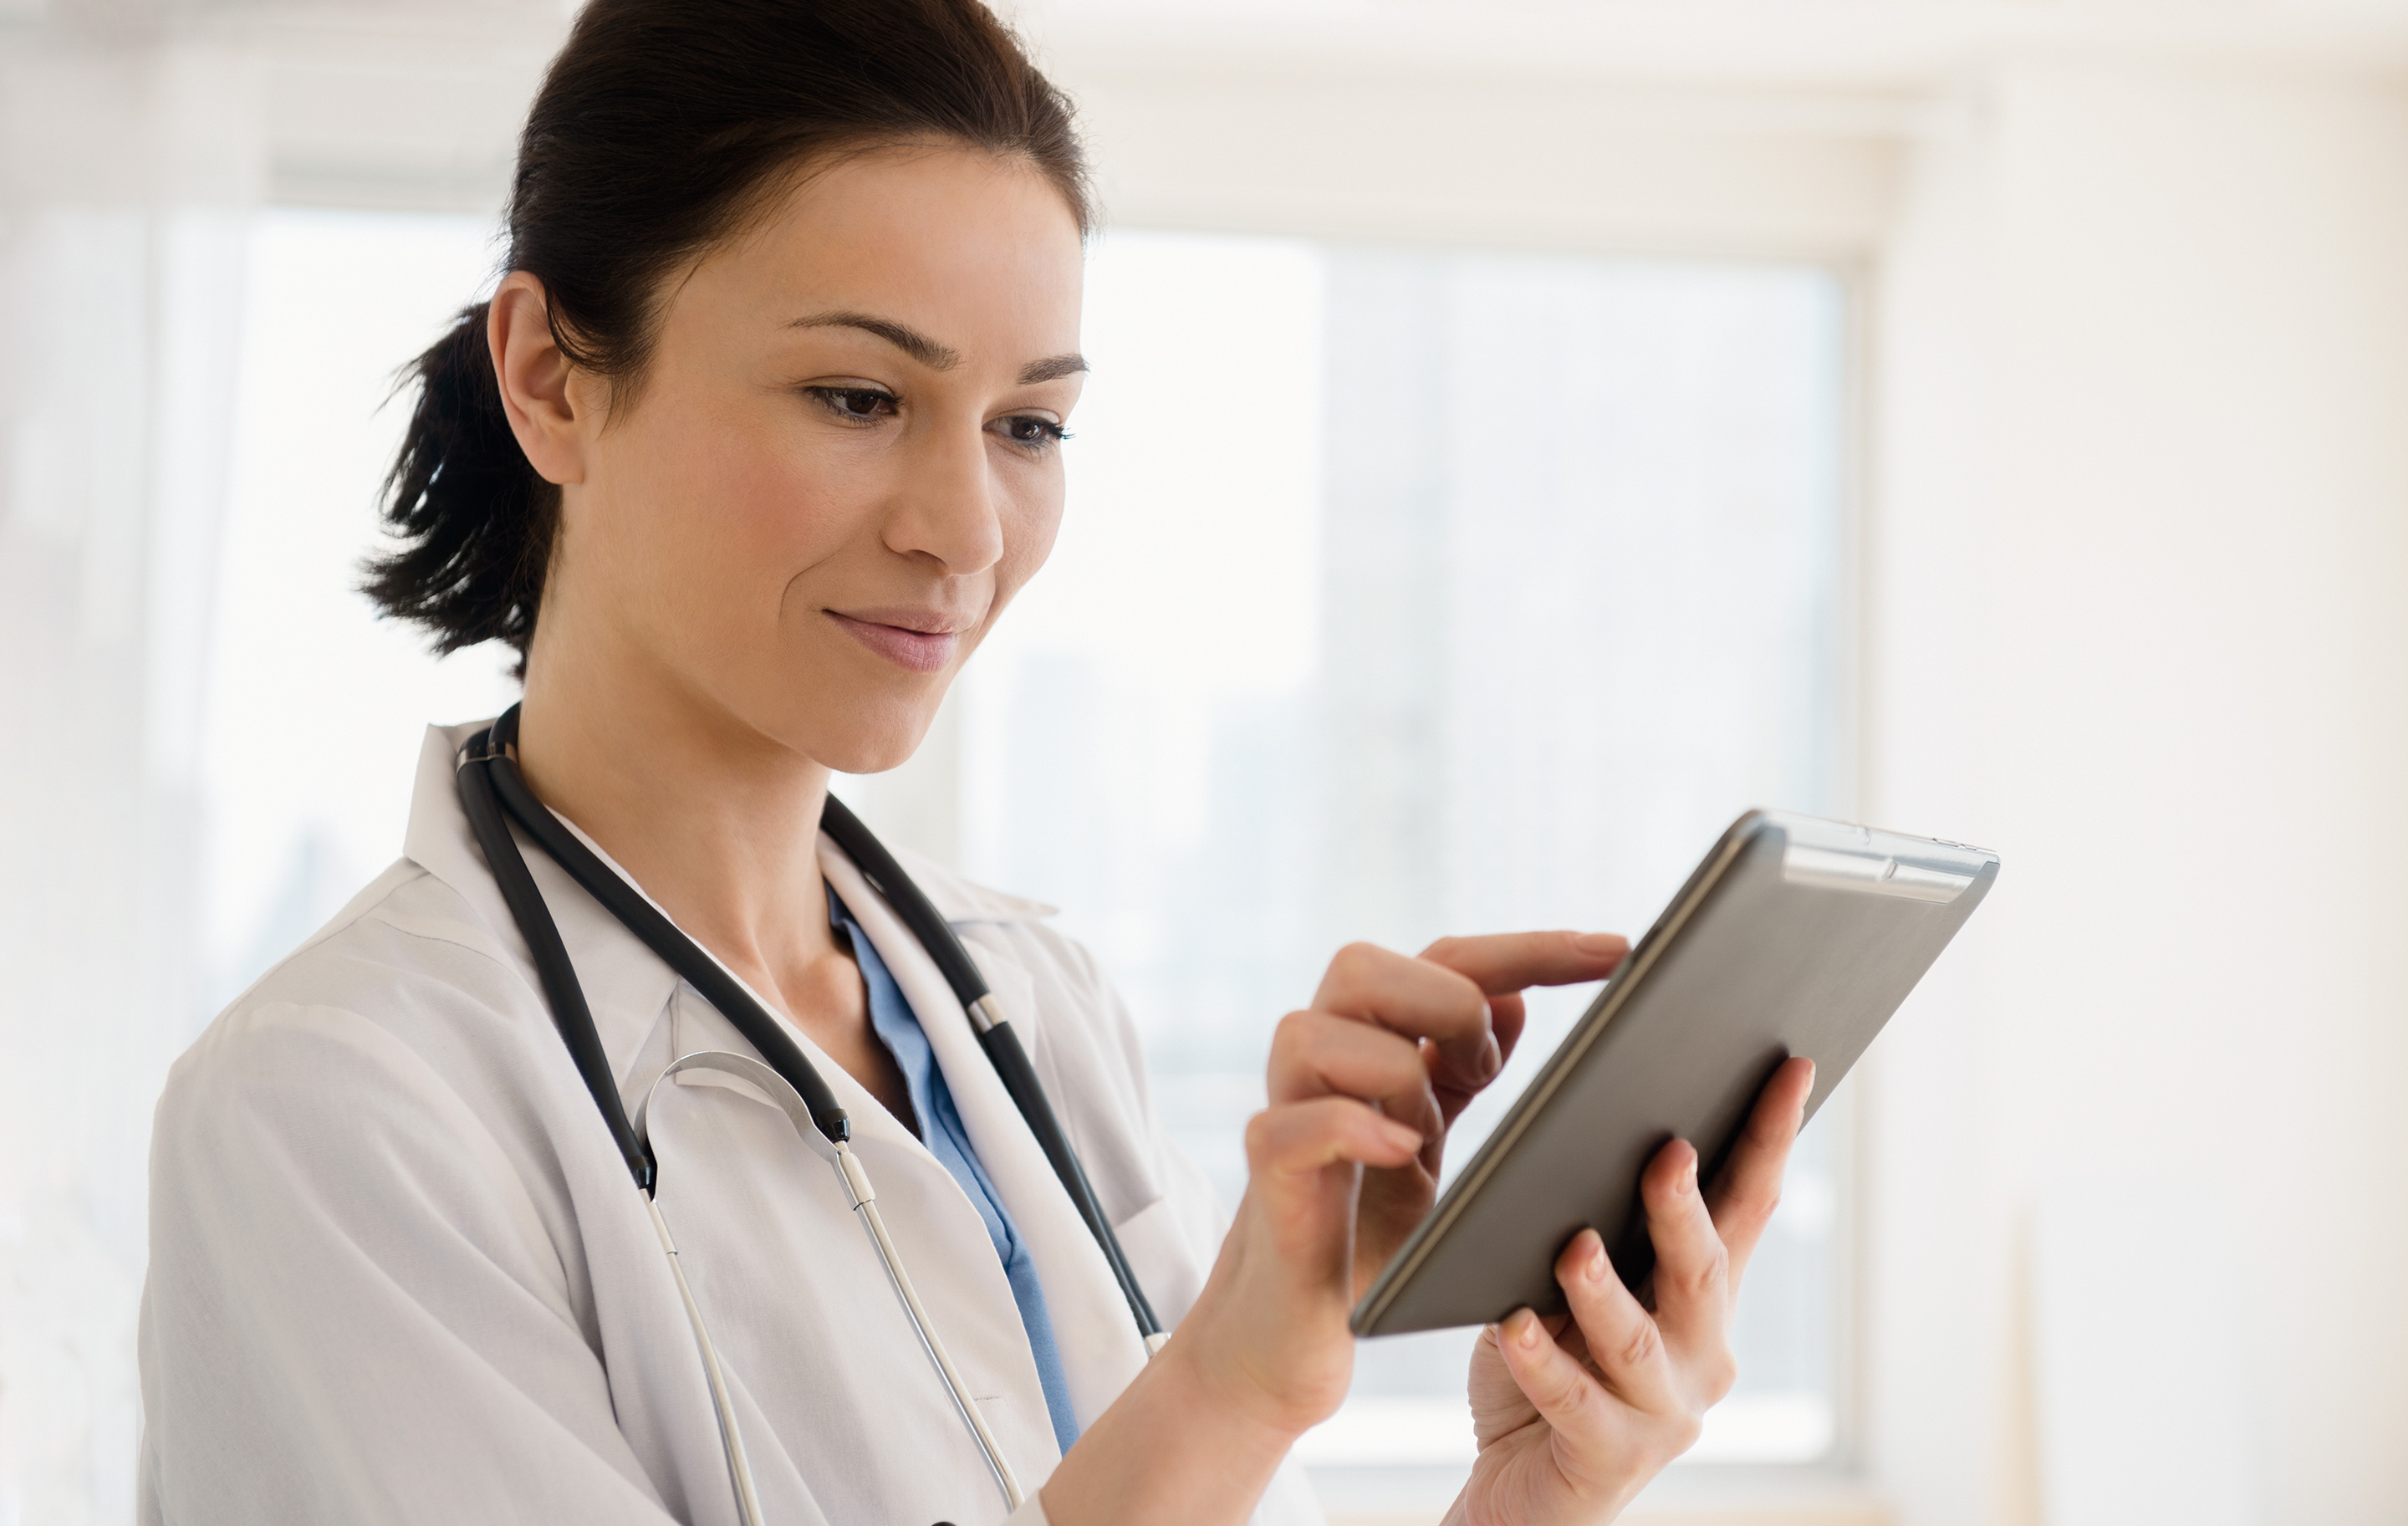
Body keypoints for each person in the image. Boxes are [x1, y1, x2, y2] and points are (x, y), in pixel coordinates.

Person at [136, 2, 1813, 1522]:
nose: (966, 531)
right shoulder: (337, 1112)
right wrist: (1225, 1384)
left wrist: (1533, 1492)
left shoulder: (1032, 1004)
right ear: (550, 380)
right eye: (859, 395)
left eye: (1030, 425)